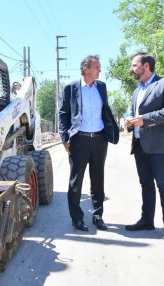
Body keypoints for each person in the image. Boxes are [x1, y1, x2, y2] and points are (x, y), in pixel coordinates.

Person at [59, 55, 119, 231]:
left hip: (100, 140)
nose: (100, 70)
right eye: (97, 67)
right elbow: (63, 113)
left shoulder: (101, 87)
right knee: (76, 182)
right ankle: (77, 218)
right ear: (86, 69)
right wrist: (64, 138)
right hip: (79, 140)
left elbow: (105, 110)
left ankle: (97, 216)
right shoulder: (71, 88)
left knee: (98, 180)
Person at [124, 52, 164, 242]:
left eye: (134, 65)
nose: (131, 69)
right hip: (140, 145)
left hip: (159, 146)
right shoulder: (136, 91)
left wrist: (145, 120)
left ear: (146, 65)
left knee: (163, 185)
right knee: (145, 184)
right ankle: (147, 220)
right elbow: (134, 111)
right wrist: (129, 120)